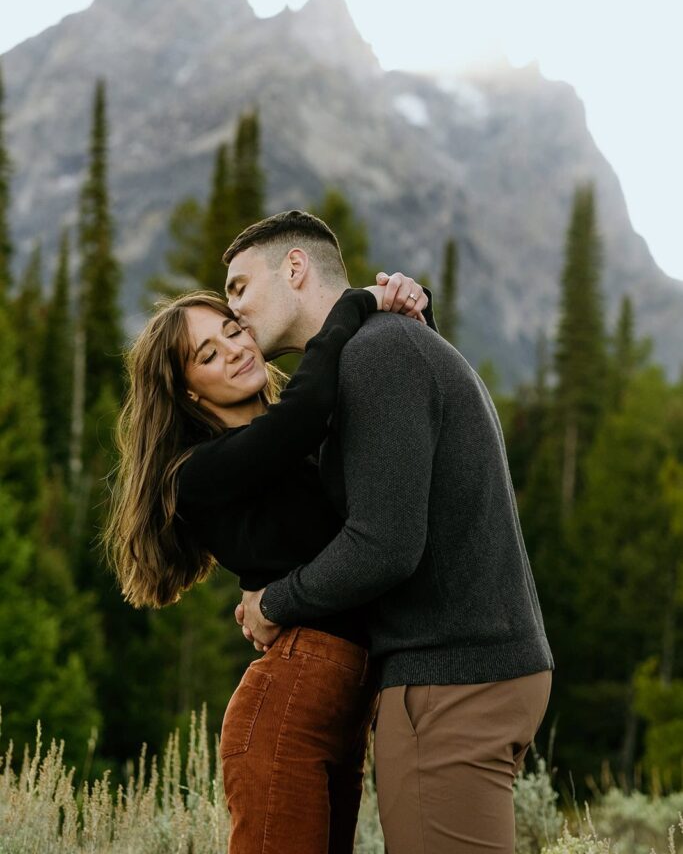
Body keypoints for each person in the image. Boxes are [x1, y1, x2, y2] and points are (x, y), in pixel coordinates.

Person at [226, 209, 555, 854]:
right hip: (469, 670)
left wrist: (275, 602)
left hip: (452, 679)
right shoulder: (384, 349)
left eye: (240, 287)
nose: (233, 310)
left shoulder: (379, 355)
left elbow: (383, 545)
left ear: (294, 267)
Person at [104, 271, 432, 854]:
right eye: (208, 353)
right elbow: (299, 415)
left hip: (346, 705)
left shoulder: (302, 450)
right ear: (189, 393)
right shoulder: (199, 472)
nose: (234, 350)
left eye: (233, 331)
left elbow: (399, 448)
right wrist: (356, 302)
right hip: (290, 703)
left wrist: (413, 317)